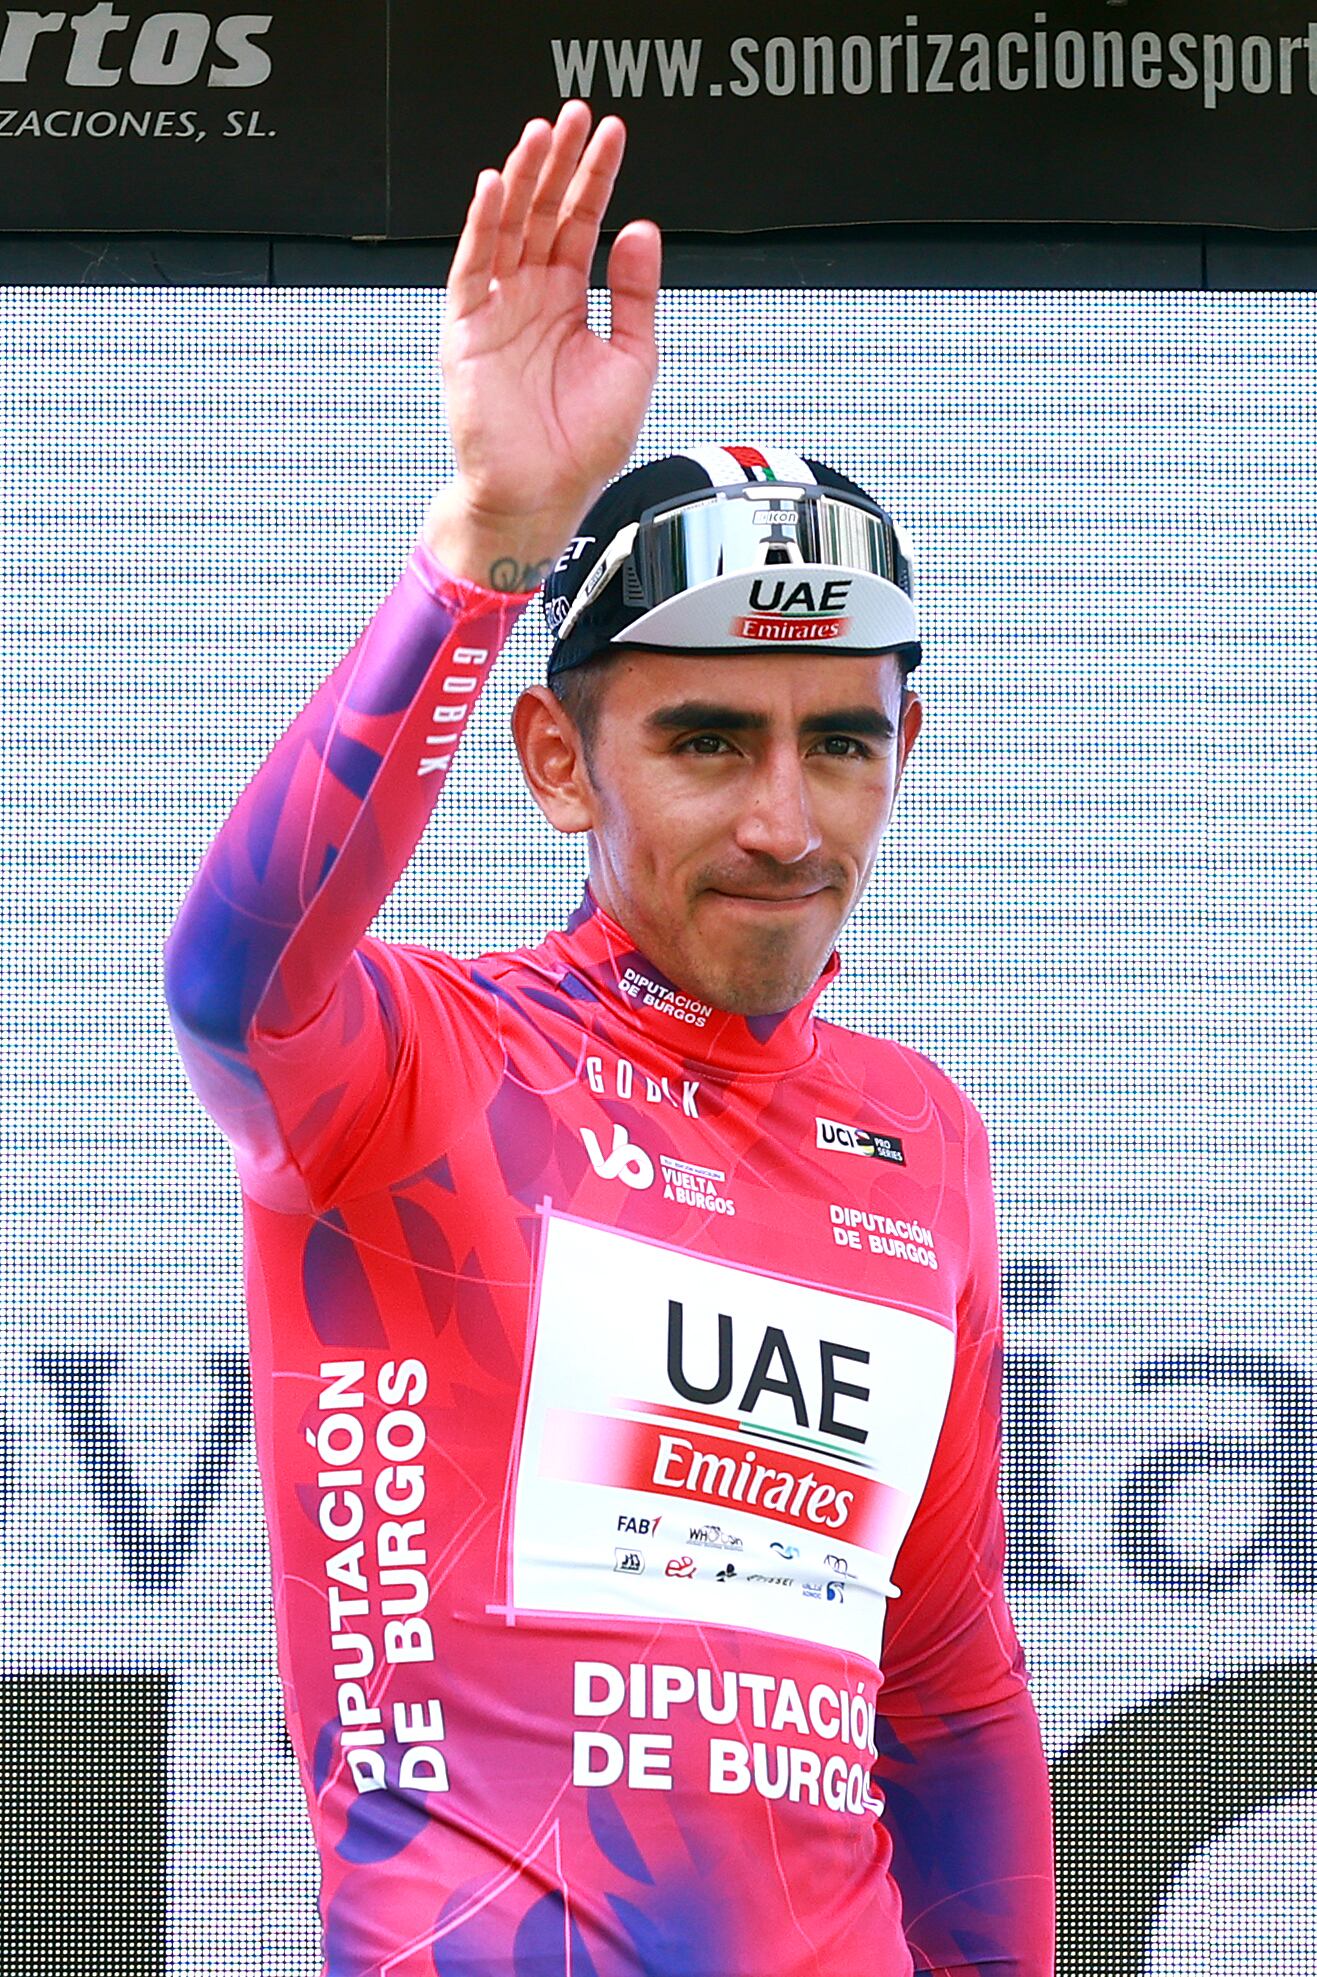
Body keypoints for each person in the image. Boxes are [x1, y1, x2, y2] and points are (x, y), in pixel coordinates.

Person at [164, 100, 1055, 1977]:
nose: (786, 822)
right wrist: (487, 548)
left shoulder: (920, 1130)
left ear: (904, 751)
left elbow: (946, 1681)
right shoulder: (418, 1059)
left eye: (840, 740)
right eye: (707, 739)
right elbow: (232, 982)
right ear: (558, 760)